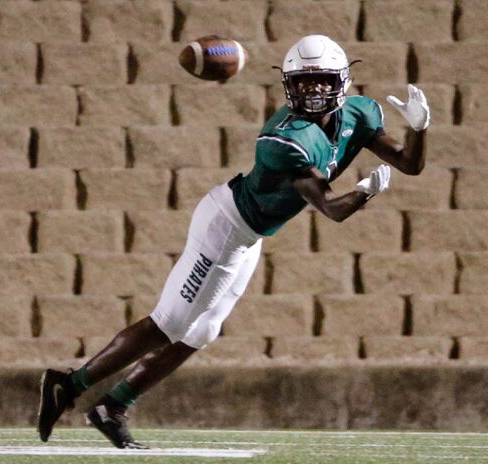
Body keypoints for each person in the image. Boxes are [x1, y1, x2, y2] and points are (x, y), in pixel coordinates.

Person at [37, 34, 431, 449]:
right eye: (302, 81)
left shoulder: (359, 114)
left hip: (251, 234)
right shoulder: (285, 138)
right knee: (168, 324)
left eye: (321, 80)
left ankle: (112, 406)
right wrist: (364, 192)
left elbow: (410, 163)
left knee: (201, 331)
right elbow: (331, 209)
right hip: (226, 226)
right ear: (288, 86)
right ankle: (69, 383)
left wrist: (421, 127)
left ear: (342, 81)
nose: (312, 90)